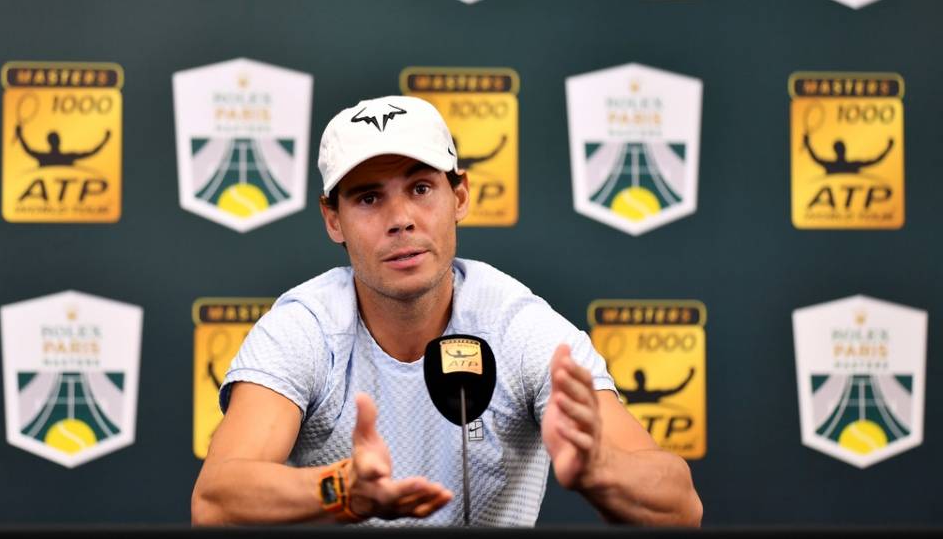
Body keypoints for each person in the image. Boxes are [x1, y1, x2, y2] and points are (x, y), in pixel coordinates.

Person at [190, 95, 703, 527]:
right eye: (369, 199)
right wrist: (343, 489)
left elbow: (682, 506)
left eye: (420, 189)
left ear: (458, 196)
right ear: (333, 219)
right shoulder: (306, 327)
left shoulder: (518, 326)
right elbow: (214, 499)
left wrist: (600, 467)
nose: (401, 220)